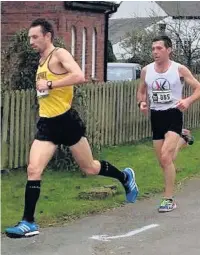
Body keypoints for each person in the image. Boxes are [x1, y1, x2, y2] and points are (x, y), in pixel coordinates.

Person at [5, 19, 138, 238]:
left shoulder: (59, 54)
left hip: (66, 121)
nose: (31, 41)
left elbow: (79, 76)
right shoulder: (41, 60)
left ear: (47, 36)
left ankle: (124, 177)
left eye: (35, 37)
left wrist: (49, 84)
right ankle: (28, 222)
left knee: (90, 168)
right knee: (33, 169)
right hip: (47, 124)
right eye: (29, 37)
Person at [137, 35, 200, 213]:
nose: (155, 52)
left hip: (173, 114)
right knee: (164, 161)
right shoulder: (146, 70)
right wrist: (141, 103)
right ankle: (183, 139)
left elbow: (198, 88)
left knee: (166, 157)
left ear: (169, 50)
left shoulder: (178, 69)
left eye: (159, 48)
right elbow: (141, 91)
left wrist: (187, 101)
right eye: (153, 49)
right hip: (156, 116)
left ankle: (168, 199)